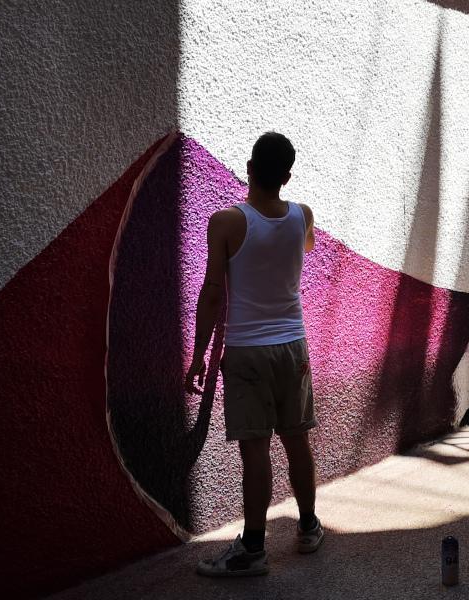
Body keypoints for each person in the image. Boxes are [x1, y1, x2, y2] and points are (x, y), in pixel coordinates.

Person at [188, 132, 322, 577]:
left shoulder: (226, 222)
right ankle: (308, 528)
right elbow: (301, 253)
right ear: (286, 176)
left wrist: (199, 354)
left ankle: (253, 549)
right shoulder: (303, 217)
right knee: (297, 438)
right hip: (292, 345)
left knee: (256, 451)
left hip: (246, 349)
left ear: (248, 168)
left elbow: (212, 293)